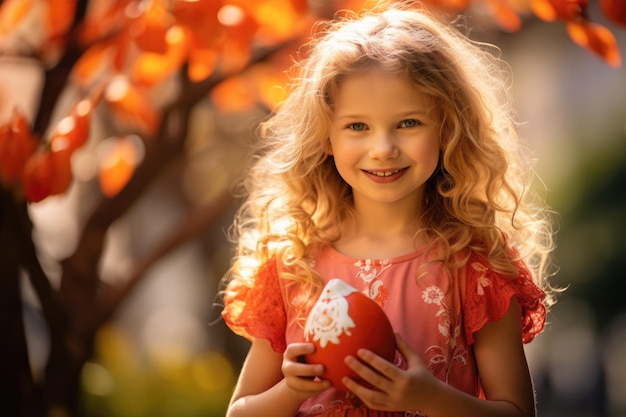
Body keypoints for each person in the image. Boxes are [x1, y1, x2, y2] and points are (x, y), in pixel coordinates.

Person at [220, 1, 558, 416]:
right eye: (357, 126)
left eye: (408, 123)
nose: (383, 149)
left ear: (447, 129)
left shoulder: (475, 265)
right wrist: (291, 390)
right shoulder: (292, 264)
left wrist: (431, 399)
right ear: (326, 137)